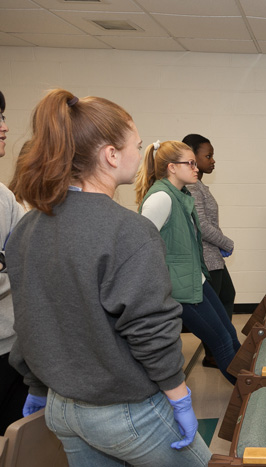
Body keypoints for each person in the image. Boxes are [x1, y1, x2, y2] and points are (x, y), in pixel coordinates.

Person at [6, 89, 210, 465]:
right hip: (124, 413)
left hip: (61, 410)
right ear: (111, 155)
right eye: (137, 143)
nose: (141, 150)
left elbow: (32, 319)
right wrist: (179, 396)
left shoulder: (27, 227)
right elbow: (149, 326)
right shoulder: (127, 230)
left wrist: (35, 384)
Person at [135, 140, 241, 383]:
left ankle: (249, 387)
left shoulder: (180, 194)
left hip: (196, 279)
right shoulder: (161, 197)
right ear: (172, 167)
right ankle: (248, 396)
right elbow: (141, 248)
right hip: (180, 288)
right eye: (190, 163)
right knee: (222, 342)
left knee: (230, 334)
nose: (196, 168)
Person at [182, 134, 236, 369]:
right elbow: (201, 226)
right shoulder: (192, 187)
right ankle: (217, 353)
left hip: (213, 257)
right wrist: (227, 242)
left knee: (227, 297)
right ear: (193, 158)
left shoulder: (199, 184)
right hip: (206, 257)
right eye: (208, 156)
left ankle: (218, 351)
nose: (213, 161)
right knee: (214, 312)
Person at [0, 90, 29, 434]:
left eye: (3, 117)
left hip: (11, 347)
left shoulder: (5, 197)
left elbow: (27, 260)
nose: (4, 127)